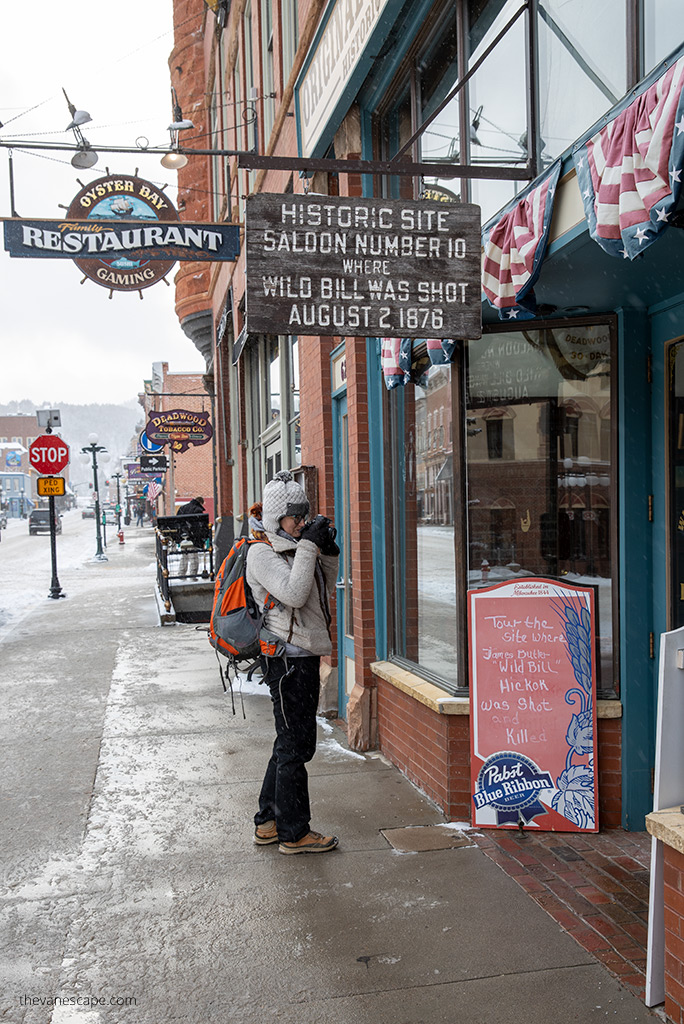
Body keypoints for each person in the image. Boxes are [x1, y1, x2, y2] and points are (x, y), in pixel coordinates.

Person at [246, 470, 340, 855]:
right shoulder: (261, 553)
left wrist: (327, 550)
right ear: (274, 520)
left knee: (290, 742)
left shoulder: (295, 545)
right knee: (296, 747)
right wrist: (307, 547)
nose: (301, 523)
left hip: (303, 655)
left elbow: (322, 587)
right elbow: (295, 594)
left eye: (304, 516)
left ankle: (268, 821)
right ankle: (294, 833)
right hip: (286, 661)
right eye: (294, 518)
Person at [176, 496, 206, 579]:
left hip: (183, 536)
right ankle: (193, 575)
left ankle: (181, 574)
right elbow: (200, 525)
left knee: (184, 556)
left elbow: (177, 522)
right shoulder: (197, 509)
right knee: (193, 557)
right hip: (193, 537)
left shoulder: (183, 508)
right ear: (201, 502)